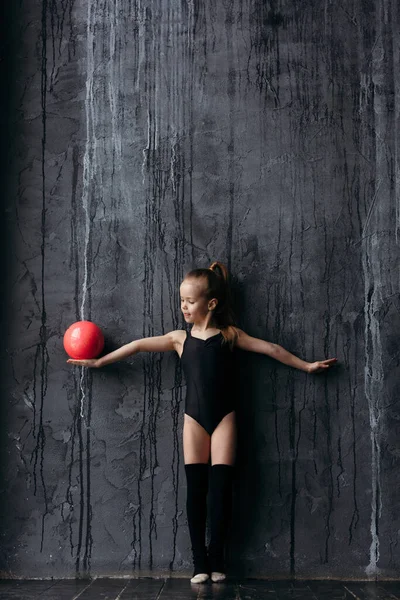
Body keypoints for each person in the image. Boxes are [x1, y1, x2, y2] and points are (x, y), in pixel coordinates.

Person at [67, 261, 338, 584]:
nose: (183, 306)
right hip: (194, 420)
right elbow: (138, 345)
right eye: (181, 301)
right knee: (196, 492)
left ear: (210, 303)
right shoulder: (180, 339)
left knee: (221, 491)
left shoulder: (230, 335)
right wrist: (99, 360)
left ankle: (217, 558)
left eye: (189, 301)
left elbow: (272, 348)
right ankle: (199, 563)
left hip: (225, 418)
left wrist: (306, 366)